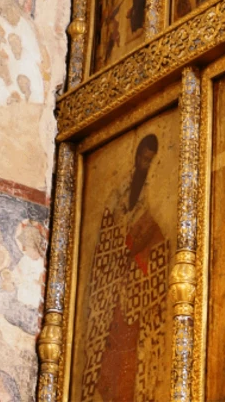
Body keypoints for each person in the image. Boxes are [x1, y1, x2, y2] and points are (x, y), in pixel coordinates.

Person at [81, 134, 169, 401]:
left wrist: (149, 247)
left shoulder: (149, 195)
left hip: (134, 293)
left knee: (130, 351)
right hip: (112, 292)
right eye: (143, 158)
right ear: (136, 157)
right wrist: (123, 245)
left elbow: (155, 240)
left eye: (150, 160)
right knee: (110, 350)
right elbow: (107, 238)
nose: (145, 164)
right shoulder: (117, 196)